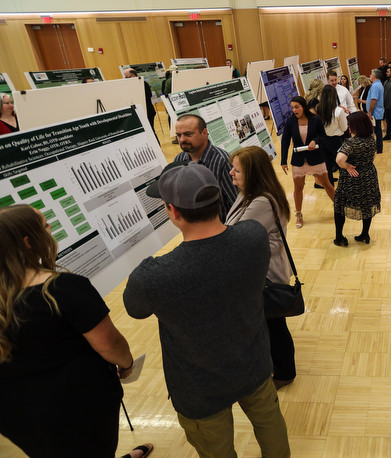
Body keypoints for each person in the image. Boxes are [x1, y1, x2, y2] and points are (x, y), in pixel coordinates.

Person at [124, 162, 290, 458]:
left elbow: (135, 310)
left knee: (217, 450)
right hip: (254, 363)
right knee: (271, 426)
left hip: (199, 386)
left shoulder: (154, 275)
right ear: (219, 200)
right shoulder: (253, 235)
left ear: (173, 212)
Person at [0, 205, 152, 458]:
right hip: (75, 410)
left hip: (17, 415)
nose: (51, 230)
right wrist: (127, 366)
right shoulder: (62, 290)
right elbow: (110, 345)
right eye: (46, 225)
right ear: (28, 242)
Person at [225, 146, 296, 390]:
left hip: (266, 275)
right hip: (259, 271)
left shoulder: (262, 202)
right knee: (269, 323)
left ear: (253, 173)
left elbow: (236, 235)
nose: (231, 174)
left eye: (237, 170)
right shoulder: (250, 193)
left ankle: (285, 371)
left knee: (274, 324)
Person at [280, 96, 335, 228]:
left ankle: (338, 206)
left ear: (303, 106)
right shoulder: (290, 121)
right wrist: (283, 161)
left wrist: (315, 141)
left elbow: (323, 136)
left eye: (296, 107)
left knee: (326, 184)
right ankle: (298, 214)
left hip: (315, 157)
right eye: (292, 107)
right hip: (299, 160)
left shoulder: (315, 120)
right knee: (298, 188)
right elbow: (285, 141)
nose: (294, 110)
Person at [173, 114, 238, 221]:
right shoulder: (179, 160)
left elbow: (236, 205)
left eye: (188, 134)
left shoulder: (222, 161)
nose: (182, 139)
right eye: (179, 135)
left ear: (204, 133)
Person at [333, 111, 381, 246]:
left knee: (340, 206)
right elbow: (373, 156)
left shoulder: (351, 142)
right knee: (367, 204)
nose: (349, 127)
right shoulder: (372, 138)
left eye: (350, 125)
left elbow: (339, 159)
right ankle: (365, 234)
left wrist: (347, 166)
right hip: (369, 175)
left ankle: (339, 237)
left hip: (352, 178)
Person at [317, 84, 348, 188]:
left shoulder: (318, 108)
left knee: (327, 165)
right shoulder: (339, 111)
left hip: (322, 140)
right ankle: (344, 186)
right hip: (335, 140)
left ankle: (330, 187)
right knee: (341, 164)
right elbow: (344, 128)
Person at [123, 68, 158, 135]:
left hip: (147, 112)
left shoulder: (143, 84)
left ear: (133, 76)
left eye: (126, 77)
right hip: (141, 112)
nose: (125, 79)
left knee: (150, 132)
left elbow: (147, 97)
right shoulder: (134, 85)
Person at [366, 69, 385, 154]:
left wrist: (370, 112)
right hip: (377, 111)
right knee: (378, 130)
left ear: (374, 76)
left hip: (375, 112)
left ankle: (379, 148)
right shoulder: (378, 84)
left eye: (371, 74)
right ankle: (378, 147)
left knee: (377, 131)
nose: (370, 76)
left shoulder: (375, 86)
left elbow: (373, 100)